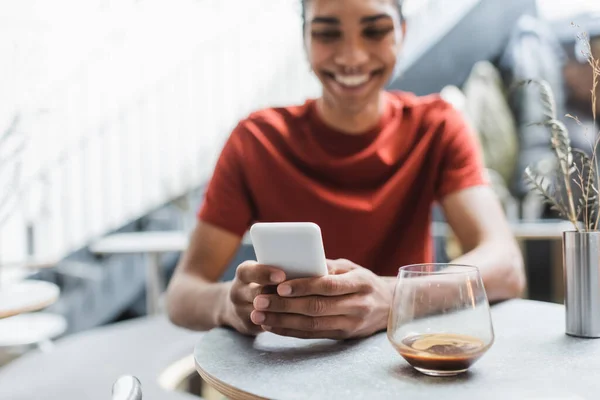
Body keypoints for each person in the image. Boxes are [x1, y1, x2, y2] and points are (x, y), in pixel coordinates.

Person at [166, 0, 525, 339]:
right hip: (284, 373)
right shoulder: (256, 141)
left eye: (375, 31)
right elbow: (182, 292)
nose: (352, 56)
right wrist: (228, 304)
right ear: (305, 40)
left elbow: (505, 265)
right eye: (327, 33)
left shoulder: (437, 127)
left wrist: (392, 296)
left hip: (403, 364)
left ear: (402, 31)